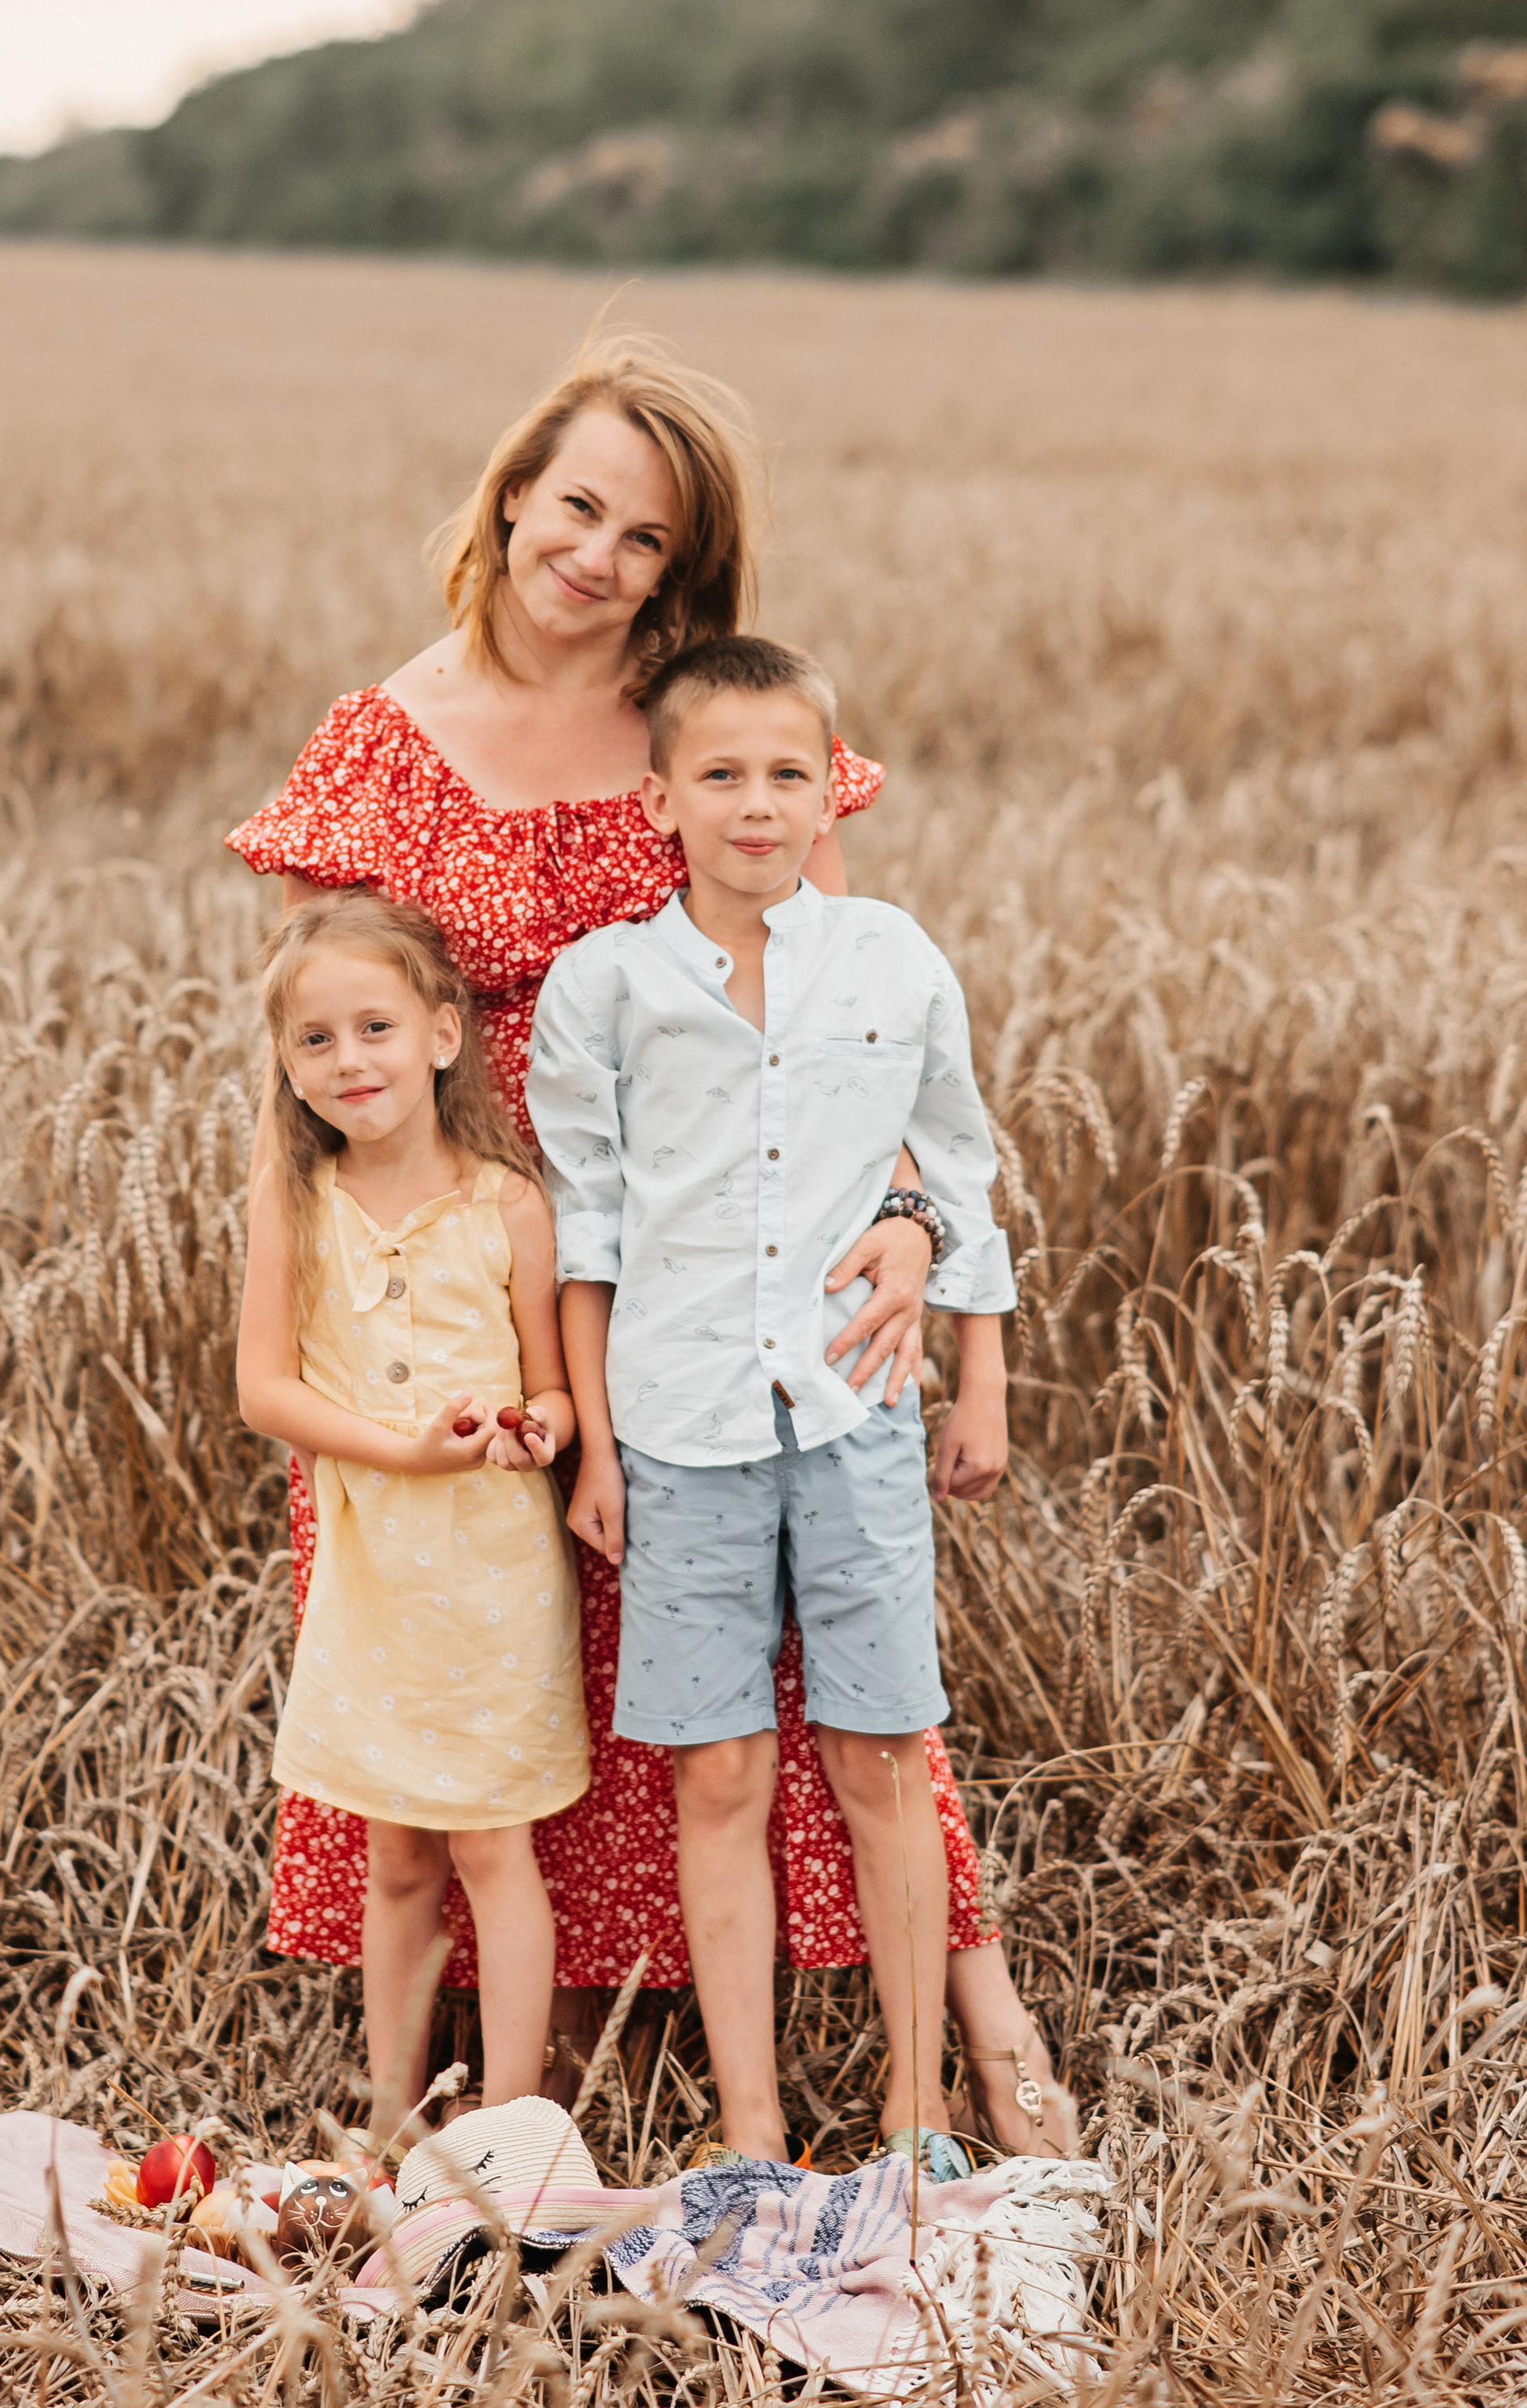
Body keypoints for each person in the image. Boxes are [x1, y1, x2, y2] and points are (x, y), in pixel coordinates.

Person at [226, 332, 1072, 2155]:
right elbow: (318, 1035)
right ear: (514, 491)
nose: (594, 554)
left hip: (715, 1277)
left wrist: (917, 1223)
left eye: (644, 535)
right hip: (456, 1288)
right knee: (471, 1649)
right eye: (577, 503)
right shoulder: (377, 745)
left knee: (824, 1674)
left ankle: (981, 2029)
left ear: (681, 569)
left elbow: (869, 1036)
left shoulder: (709, 740)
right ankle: (496, 2085)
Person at [530, 634, 1020, 2174]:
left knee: (884, 1753)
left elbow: (958, 1157)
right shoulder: (604, 985)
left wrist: (972, 1356)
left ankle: (916, 2104)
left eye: (788, 774)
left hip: (859, 1407)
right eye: (722, 775)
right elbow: (587, 1227)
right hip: (678, 1425)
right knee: (719, 1767)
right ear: (660, 794)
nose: (757, 804)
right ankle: (751, 2125)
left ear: (832, 790)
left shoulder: (892, 958)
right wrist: (598, 1443)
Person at [237, 890, 590, 2130]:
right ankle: (388, 2121)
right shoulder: (297, 1199)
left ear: (443, 1034)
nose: (350, 1060)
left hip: (493, 1570)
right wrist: (399, 1450)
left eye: (375, 1026)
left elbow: (548, 1381)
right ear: (288, 1064)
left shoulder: (508, 1204)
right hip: (376, 1566)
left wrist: (543, 1426)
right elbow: (263, 1386)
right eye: (316, 1040)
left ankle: (506, 2123)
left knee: (496, 1852)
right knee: (397, 1854)